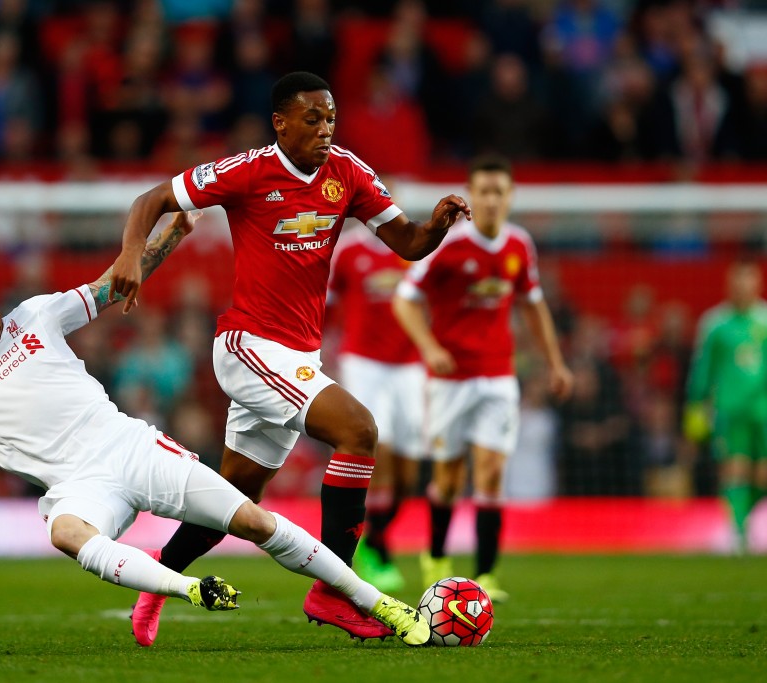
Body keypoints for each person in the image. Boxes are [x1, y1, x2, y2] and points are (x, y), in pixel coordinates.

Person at [0, 212, 430, 646]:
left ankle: (378, 604)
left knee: (253, 521)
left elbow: (121, 282)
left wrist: (172, 231)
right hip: (77, 483)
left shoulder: (37, 315)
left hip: (131, 445)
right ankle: (183, 587)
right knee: (64, 529)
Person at [107, 71, 470, 645]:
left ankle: (157, 583)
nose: (325, 129)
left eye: (331, 119)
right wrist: (131, 254)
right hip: (248, 345)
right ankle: (335, 590)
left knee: (237, 496)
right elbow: (150, 199)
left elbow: (406, 243)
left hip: (296, 354)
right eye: (312, 119)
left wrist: (439, 227)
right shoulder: (246, 170)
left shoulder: (347, 172)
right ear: (280, 122)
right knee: (359, 431)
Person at [392, 155, 573, 603]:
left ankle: (487, 574)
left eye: (499, 191)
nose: (491, 200)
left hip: (497, 376)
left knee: (491, 475)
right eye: (484, 191)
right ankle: (435, 557)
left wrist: (555, 363)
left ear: (510, 197)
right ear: (472, 196)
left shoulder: (519, 246)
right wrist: (430, 348)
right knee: (450, 478)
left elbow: (533, 305)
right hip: (450, 380)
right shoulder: (450, 245)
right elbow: (404, 299)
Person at [327, 224, 426, 592]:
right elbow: (329, 303)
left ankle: (377, 535)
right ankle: (376, 549)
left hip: (409, 365)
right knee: (377, 449)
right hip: (364, 362)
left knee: (409, 472)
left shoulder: (412, 248)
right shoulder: (350, 251)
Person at [684, 260, 767, 553]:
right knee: (734, 469)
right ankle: (738, 531)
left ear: (758, 284)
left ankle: (748, 520)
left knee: (761, 473)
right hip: (729, 410)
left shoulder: (764, 320)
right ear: (729, 285)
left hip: (763, 409)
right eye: (737, 282)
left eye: (749, 281)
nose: (743, 288)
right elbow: (702, 372)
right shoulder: (715, 323)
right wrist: (695, 416)